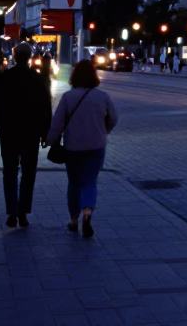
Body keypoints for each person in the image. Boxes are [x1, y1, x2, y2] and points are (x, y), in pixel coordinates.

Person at [48, 60, 119, 239]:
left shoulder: (68, 97)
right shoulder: (103, 97)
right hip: (96, 146)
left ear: (75, 76)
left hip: (73, 147)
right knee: (90, 181)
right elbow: (113, 119)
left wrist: (49, 140)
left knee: (74, 183)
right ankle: (87, 213)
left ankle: (73, 220)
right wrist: (104, 131)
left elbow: (57, 124)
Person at [0, 42, 52, 228]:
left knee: (9, 171)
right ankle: (23, 212)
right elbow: (45, 107)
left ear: (14, 57)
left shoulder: (4, 78)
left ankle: (12, 212)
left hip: (9, 131)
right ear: (29, 57)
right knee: (28, 172)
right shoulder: (37, 79)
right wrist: (45, 132)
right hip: (31, 132)